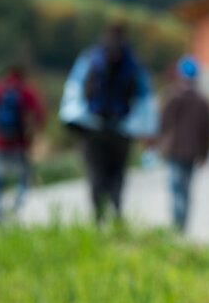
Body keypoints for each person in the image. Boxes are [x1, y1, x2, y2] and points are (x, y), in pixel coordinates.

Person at [63, 23, 154, 224]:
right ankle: (116, 210)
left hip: (92, 128)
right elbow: (145, 97)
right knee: (118, 173)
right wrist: (148, 131)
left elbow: (74, 89)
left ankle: (98, 218)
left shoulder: (90, 57)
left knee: (96, 173)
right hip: (122, 129)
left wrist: (72, 120)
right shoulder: (135, 62)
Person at [0, 65, 46, 222]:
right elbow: (39, 112)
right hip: (19, 143)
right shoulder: (25, 90)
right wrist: (34, 135)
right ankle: (15, 209)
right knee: (23, 179)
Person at [157, 56, 209, 232]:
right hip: (192, 152)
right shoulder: (202, 101)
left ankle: (177, 223)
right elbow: (207, 131)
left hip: (174, 150)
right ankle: (182, 224)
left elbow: (163, 123)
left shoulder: (172, 96)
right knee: (186, 189)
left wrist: (159, 145)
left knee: (176, 188)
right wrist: (205, 154)